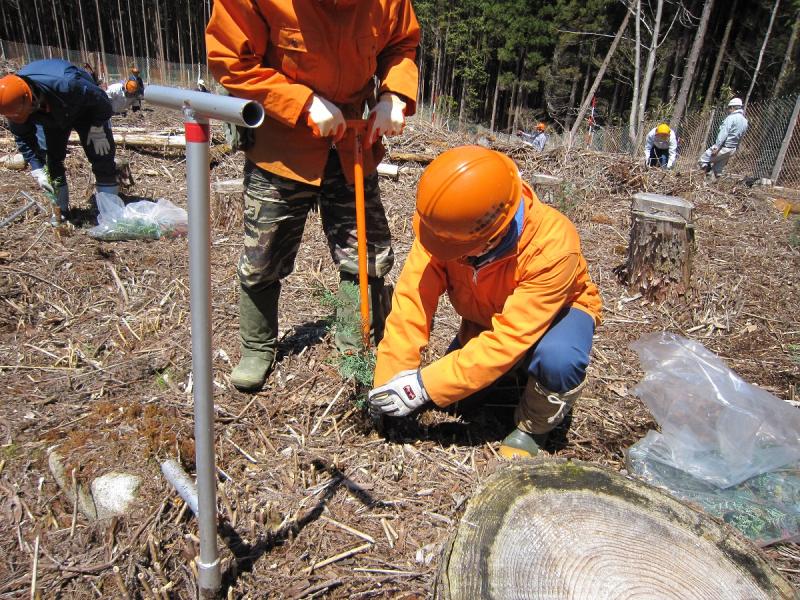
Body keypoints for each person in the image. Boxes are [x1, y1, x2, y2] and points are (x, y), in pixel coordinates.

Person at [206, 0, 421, 392]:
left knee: (366, 255)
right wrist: (301, 102)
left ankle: (356, 344)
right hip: (280, 145)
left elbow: (400, 45)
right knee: (262, 256)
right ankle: (257, 347)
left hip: (353, 142)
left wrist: (393, 94)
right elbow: (230, 59)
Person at [368, 146, 602, 458]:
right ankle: (510, 372)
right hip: (487, 315)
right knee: (456, 401)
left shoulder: (552, 246)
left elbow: (510, 337)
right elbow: (412, 304)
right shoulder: (447, 229)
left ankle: (533, 428)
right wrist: (392, 379)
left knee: (558, 359)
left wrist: (424, 385)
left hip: (557, 315)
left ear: (491, 238)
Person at [0, 59, 117, 224]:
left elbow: (102, 101)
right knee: (50, 160)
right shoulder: (13, 106)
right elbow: (22, 136)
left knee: (102, 153)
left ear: (32, 98)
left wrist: (97, 127)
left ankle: (111, 211)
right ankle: (60, 210)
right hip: (51, 118)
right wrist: (38, 169)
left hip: (85, 109)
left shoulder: (68, 84)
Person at [698, 97, 748, 179]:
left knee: (702, 160)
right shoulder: (745, 121)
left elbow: (723, 133)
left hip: (723, 147)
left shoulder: (731, 118)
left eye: (729, 108)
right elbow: (741, 136)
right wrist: (735, 149)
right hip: (732, 149)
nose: (728, 110)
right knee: (718, 170)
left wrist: (716, 147)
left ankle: (708, 175)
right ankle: (717, 185)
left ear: (732, 107)